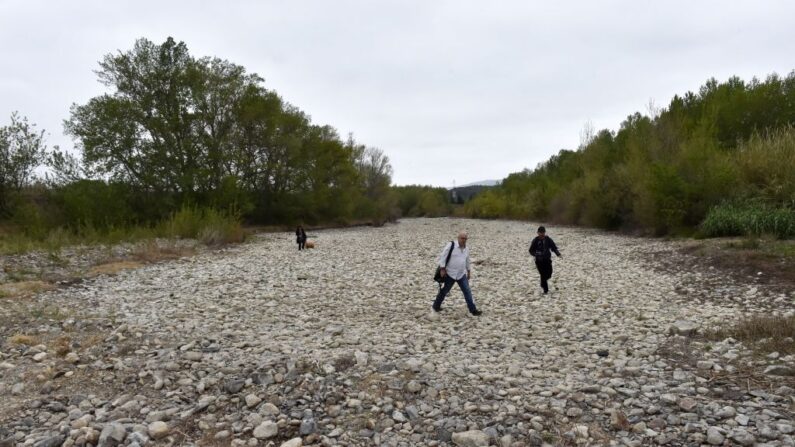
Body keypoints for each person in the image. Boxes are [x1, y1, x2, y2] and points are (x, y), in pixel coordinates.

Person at [432, 231, 482, 316]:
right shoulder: (451, 245)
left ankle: (473, 310)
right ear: (458, 238)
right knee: (444, 291)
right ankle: (436, 306)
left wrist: (469, 271)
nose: (464, 240)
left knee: (467, 291)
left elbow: (467, 260)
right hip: (449, 273)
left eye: (465, 239)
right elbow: (443, 256)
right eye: (462, 238)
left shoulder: (466, 249)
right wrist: (442, 269)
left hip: (461, 274)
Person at [529, 226, 561, 295]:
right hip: (539, 261)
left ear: (544, 232)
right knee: (543, 274)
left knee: (549, 274)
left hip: (547, 260)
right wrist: (536, 254)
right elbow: (531, 250)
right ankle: (545, 290)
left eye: (543, 233)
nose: (542, 234)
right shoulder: (535, 240)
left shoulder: (548, 239)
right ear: (538, 233)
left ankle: (542, 283)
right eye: (540, 233)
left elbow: (553, 247)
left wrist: (558, 254)